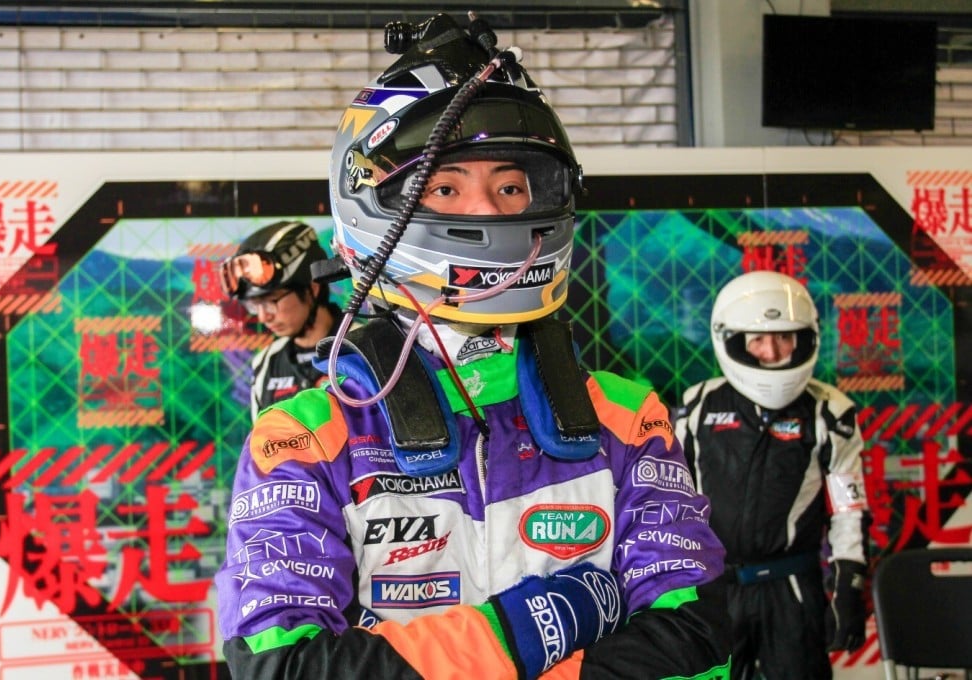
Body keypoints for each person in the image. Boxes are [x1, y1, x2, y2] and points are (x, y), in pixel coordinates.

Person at [215, 12, 731, 679]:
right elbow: (277, 665)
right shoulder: (306, 438)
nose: (489, 212)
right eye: (446, 187)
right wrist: (515, 634)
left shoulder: (625, 418)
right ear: (374, 208)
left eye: (511, 187)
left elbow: (695, 635)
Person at [674, 270, 870, 680]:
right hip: (714, 586)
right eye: (758, 340)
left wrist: (850, 580)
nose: (772, 350)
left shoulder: (829, 411)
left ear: (804, 340)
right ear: (733, 341)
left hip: (792, 586)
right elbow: (669, 497)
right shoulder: (697, 407)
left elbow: (848, 506)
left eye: (784, 338)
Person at [220, 219, 343, 421]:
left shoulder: (364, 350)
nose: (263, 316)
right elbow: (261, 445)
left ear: (312, 288)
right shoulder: (266, 364)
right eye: (254, 305)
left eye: (271, 302)